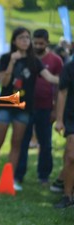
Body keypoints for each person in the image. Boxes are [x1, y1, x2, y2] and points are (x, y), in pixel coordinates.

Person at [0, 27, 59, 191]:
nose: (25, 40)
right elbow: (4, 82)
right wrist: (12, 61)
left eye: (27, 38)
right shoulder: (5, 58)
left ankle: (9, 180)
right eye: (21, 38)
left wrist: (66, 78)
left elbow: (51, 78)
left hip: (24, 108)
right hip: (5, 106)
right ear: (14, 41)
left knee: (16, 145)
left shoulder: (34, 61)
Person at [15, 29, 63, 185]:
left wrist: (56, 109)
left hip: (45, 108)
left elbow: (59, 87)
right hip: (26, 107)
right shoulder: (26, 58)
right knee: (23, 141)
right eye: (34, 42)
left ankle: (43, 175)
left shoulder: (56, 60)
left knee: (46, 143)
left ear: (47, 42)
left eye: (41, 43)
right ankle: (18, 174)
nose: (37, 45)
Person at [53, 60, 74, 208]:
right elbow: (62, 92)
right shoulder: (69, 67)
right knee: (71, 157)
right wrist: (59, 119)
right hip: (71, 117)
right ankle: (67, 196)